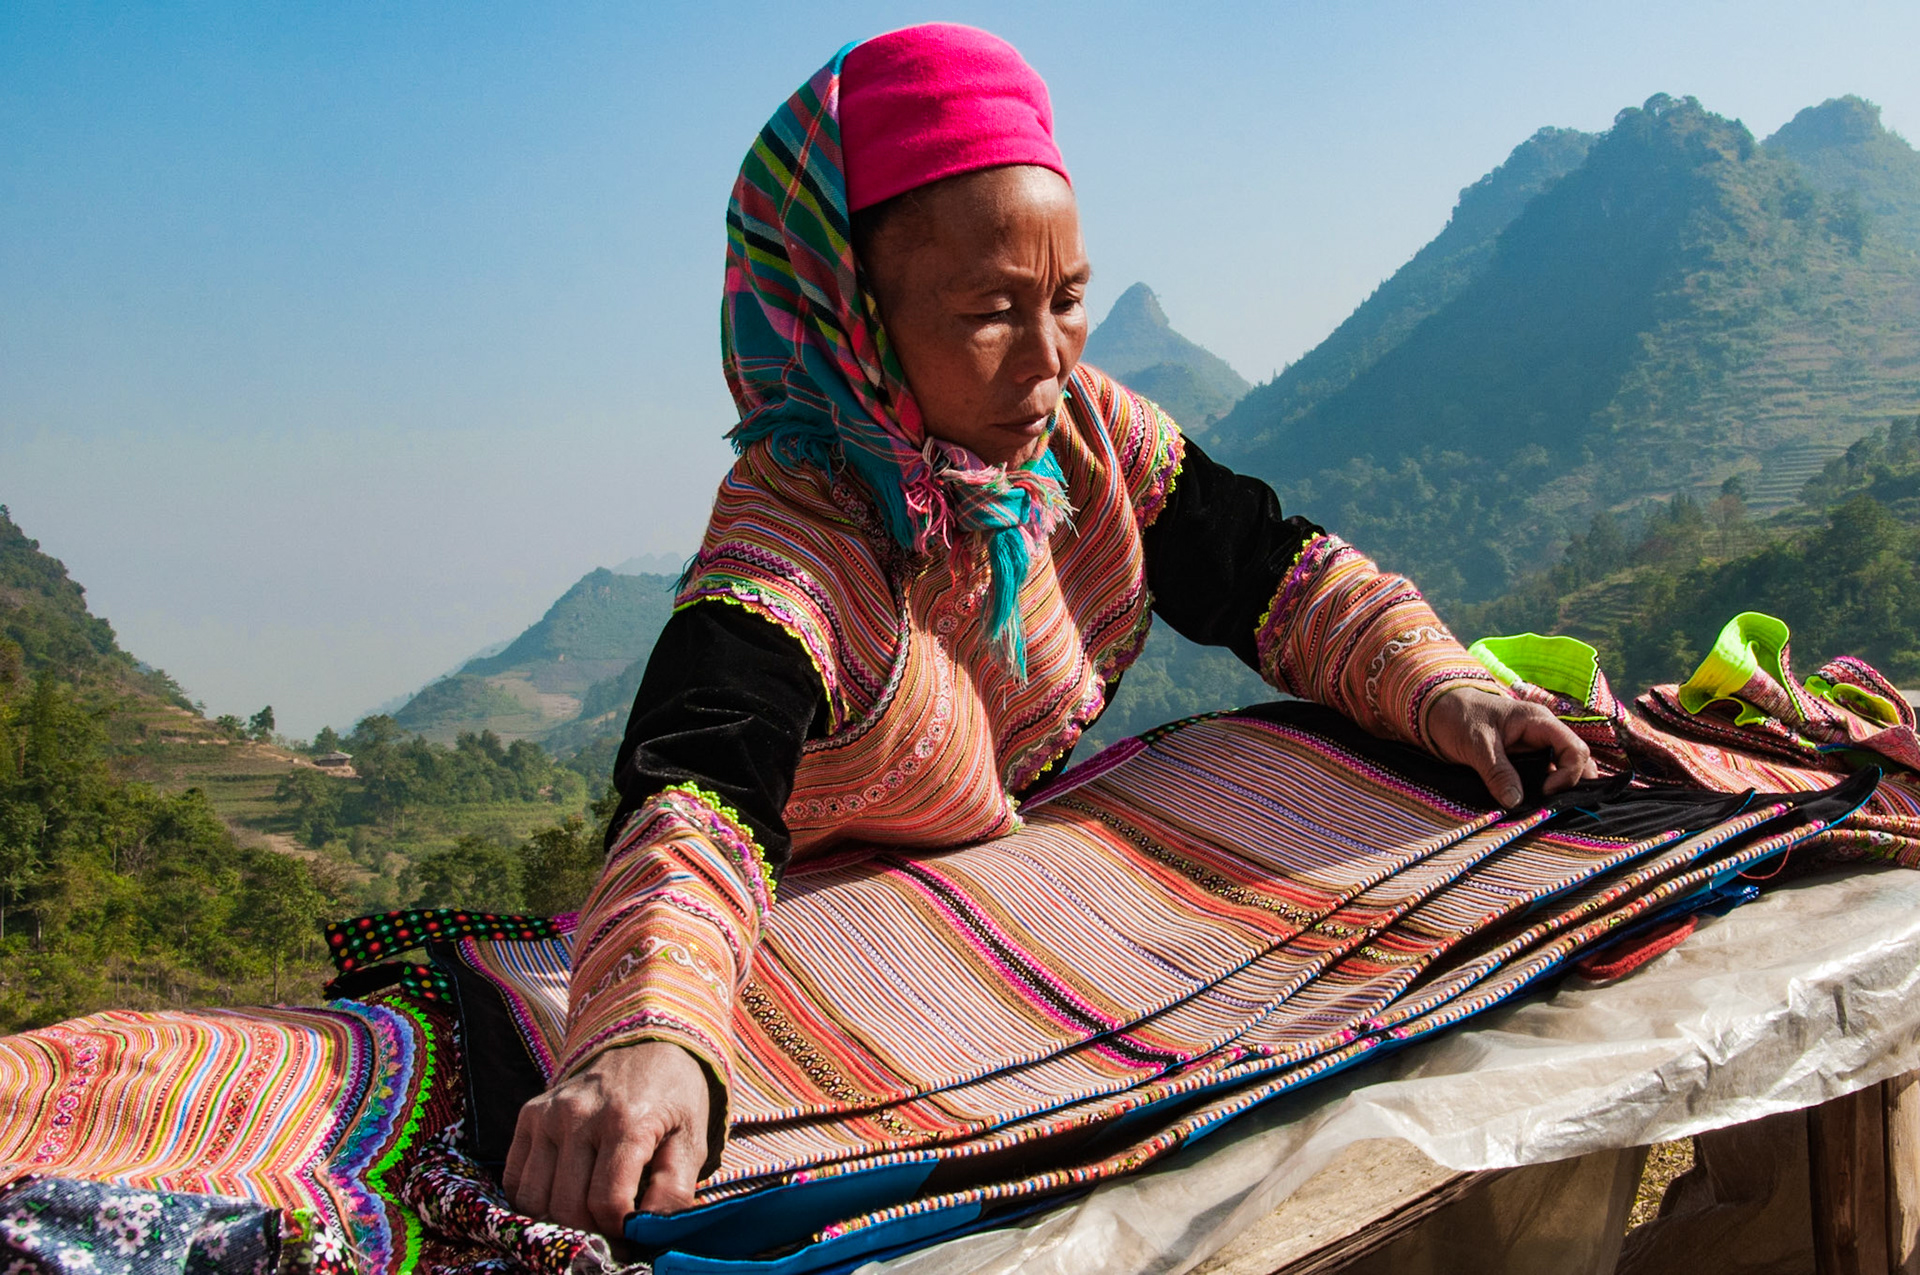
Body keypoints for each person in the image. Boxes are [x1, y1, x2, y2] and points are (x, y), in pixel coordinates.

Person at [501, 23, 1596, 1238]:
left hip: (986, 876)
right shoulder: (791, 547)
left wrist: (1445, 692)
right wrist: (651, 1034)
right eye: (989, 313)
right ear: (854, 316)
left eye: (1068, 300)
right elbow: (697, 794)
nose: (1047, 358)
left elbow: (1272, 575)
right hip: (823, 939)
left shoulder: (1085, 438)